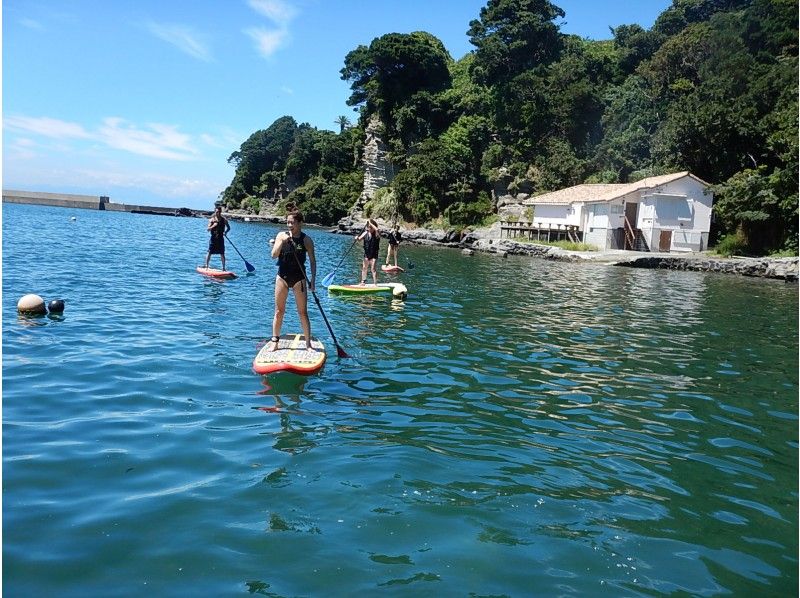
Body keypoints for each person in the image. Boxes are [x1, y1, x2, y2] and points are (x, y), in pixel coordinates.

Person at [266, 207, 316, 351]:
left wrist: (313, 280)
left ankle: (308, 344)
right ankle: (275, 342)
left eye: (292, 222)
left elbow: (313, 261)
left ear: (300, 223)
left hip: (299, 279)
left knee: (302, 312)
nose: (289, 225)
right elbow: (273, 255)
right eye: (287, 222)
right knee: (279, 311)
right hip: (282, 277)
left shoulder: (306, 240)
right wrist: (281, 241)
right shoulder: (281, 235)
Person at [204, 205, 230, 270]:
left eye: (218, 212)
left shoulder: (224, 220)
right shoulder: (212, 220)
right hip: (213, 239)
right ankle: (206, 266)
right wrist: (214, 225)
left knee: (222, 253)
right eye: (216, 212)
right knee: (209, 252)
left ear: (220, 212)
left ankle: (223, 268)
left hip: (220, 239)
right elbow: (208, 229)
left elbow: (229, 228)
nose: (217, 213)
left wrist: (225, 232)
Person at [357, 218, 380, 285]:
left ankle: (375, 284)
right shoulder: (365, 233)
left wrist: (370, 223)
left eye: (370, 227)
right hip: (367, 254)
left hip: (374, 254)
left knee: (373, 269)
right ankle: (363, 282)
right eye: (368, 227)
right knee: (364, 268)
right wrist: (357, 238)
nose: (369, 228)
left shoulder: (376, 234)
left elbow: (377, 229)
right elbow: (359, 239)